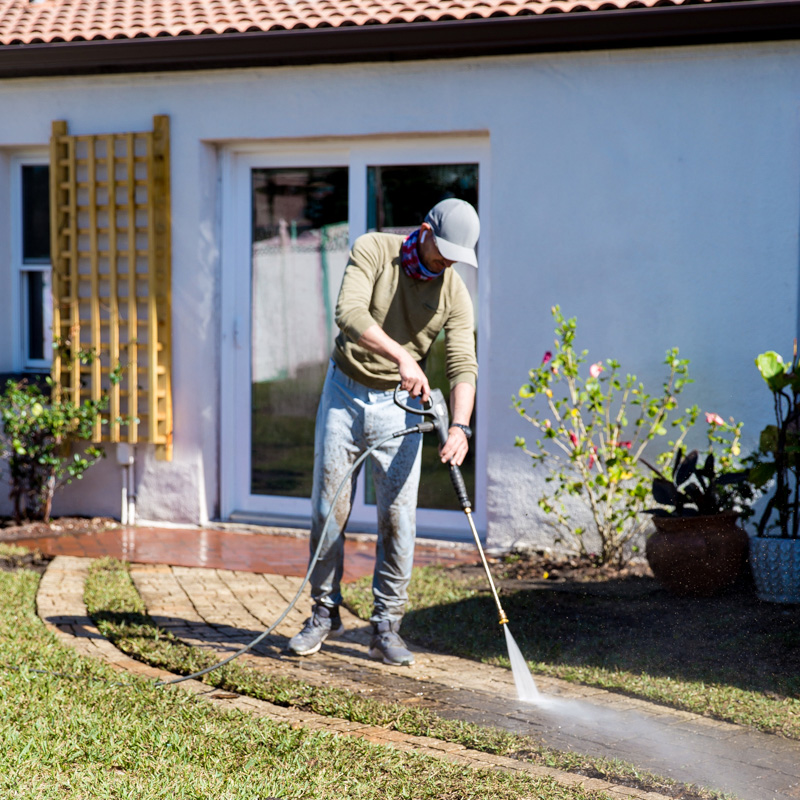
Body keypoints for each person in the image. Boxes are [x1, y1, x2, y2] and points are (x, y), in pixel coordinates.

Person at [288, 198, 479, 666]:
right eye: (444, 250)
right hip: (345, 395)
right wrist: (403, 357)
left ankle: (387, 624)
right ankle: (323, 611)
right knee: (327, 507)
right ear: (424, 230)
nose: (447, 261)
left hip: (400, 410)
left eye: (458, 255)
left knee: (399, 518)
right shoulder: (374, 250)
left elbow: (462, 365)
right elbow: (348, 314)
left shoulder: (453, 292)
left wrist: (460, 426)